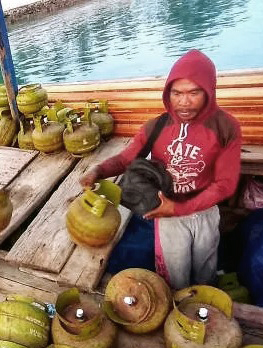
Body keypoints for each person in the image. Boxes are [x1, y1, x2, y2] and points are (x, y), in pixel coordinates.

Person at [81, 49, 242, 290]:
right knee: (174, 278)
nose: (184, 102)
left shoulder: (226, 127)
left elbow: (225, 184)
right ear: (168, 93)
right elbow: (126, 158)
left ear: (209, 91)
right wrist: (98, 170)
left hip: (205, 212)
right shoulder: (156, 127)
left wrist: (181, 208)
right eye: (176, 93)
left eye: (194, 93)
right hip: (167, 214)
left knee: (206, 274)